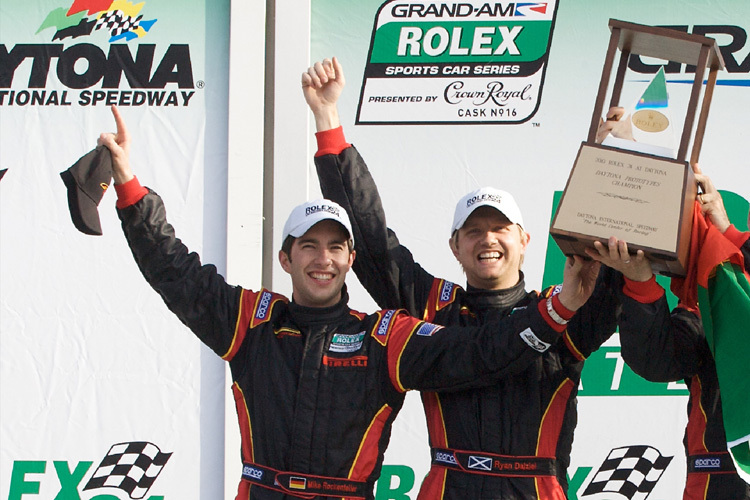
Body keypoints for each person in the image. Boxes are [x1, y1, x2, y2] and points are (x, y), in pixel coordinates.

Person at [98, 104, 602, 500]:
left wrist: (609, 163)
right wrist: (128, 186)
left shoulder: (387, 334)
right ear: (286, 257)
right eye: (309, 246)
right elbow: (176, 274)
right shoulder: (253, 322)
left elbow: (480, 354)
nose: (323, 259)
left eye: (335, 247)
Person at [304, 57, 619, 499]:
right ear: (455, 246)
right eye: (473, 231)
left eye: (499, 229)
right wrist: (327, 119)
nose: (487, 239)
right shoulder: (433, 305)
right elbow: (368, 236)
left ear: (525, 240)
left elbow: (616, 268)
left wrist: (612, 162)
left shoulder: (562, 305)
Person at [588, 109, 750, 499]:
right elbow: (658, 361)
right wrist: (641, 283)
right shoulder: (716, 297)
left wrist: (728, 234)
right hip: (719, 481)